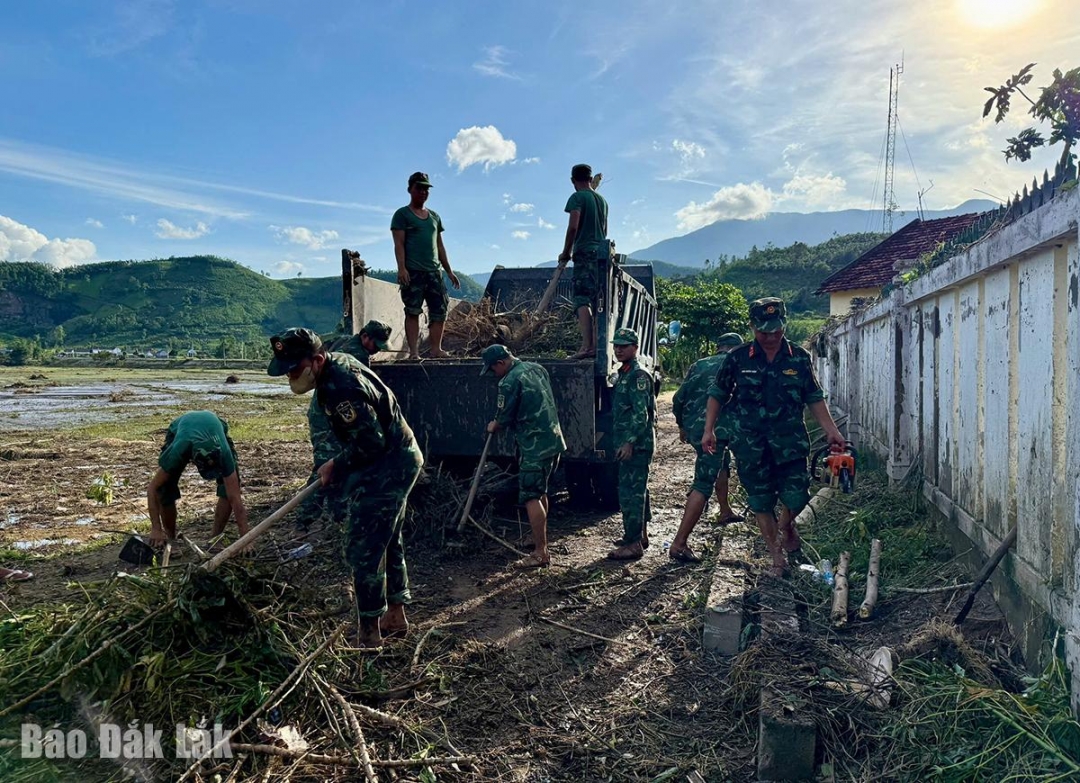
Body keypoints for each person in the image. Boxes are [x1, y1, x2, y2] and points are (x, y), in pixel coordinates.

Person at [268, 327, 423, 648]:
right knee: (387, 538)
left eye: (294, 369)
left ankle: (369, 633)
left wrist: (336, 465)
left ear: (317, 360)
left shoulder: (341, 388)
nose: (290, 376)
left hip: (389, 465)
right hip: (395, 458)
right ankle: (395, 616)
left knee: (363, 547)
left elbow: (371, 443)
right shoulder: (334, 366)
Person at [702, 298, 845, 577]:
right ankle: (777, 557)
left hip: (790, 442)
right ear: (752, 327)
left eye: (776, 330)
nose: (771, 337)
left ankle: (787, 526)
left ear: (784, 325)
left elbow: (813, 396)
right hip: (750, 443)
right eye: (764, 331)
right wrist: (709, 429)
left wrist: (831, 430)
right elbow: (718, 393)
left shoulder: (799, 357)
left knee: (798, 496)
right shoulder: (737, 358)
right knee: (760, 500)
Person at [482, 345, 567, 568]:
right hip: (553, 441)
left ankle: (541, 553)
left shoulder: (509, 381)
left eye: (492, 369)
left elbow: (503, 418)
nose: (493, 374)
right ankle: (537, 537)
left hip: (533, 446)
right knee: (540, 491)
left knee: (530, 496)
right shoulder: (537, 368)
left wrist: (494, 425)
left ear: (501, 363)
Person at [669, 332, 745, 563]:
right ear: (737, 349)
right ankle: (679, 543)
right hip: (720, 432)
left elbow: (678, 398)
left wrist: (682, 425)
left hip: (697, 430)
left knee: (720, 464)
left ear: (719, 347)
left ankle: (725, 510)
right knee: (703, 482)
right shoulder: (738, 365)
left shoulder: (699, 365)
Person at [146, 411, 249, 547]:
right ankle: (171, 539)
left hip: (215, 426)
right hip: (183, 430)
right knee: (165, 488)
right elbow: (153, 488)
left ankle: (215, 539)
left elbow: (235, 498)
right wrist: (156, 528)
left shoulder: (224, 453)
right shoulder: (179, 450)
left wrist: (246, 540)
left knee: (227, 488)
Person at [390, 172, 461, 359]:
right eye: (419, 188)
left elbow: (440, 246)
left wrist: (449, 271)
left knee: (440, 310)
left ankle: (436, 349)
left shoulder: (435, 217)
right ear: (410, 189)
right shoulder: (402, 215)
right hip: (413, 272)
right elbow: (399, 244)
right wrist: (402, 268)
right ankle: (413, 353)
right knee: (412, 311)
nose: (423, 192)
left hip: (434, 272)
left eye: (426, 189)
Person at [607, 328, 656, 560]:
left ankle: (633, 543)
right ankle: (640, 536)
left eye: (624, 346)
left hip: (636, 445)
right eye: (616, 346)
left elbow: (640, 414)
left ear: (635, 348)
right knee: (638, 490)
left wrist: (629, 443)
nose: (618, 350)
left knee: (630, 493)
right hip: (632, 443)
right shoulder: (625, 373)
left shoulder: (637, 375)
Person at [557, 163, 610, 360]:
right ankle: (596, 345)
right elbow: (604, 230)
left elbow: (573, 227)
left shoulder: (577, 197)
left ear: (573, 180)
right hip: (602, 255)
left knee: (581, 299)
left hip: (585, 254)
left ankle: (586, 347)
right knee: (598, 300)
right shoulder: (602, 201)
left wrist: (566, 252)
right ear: (590, 178)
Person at [324, 319, 392, 367]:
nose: (378, 349)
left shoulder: (344, 339)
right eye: (376, 345)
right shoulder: (360, 356)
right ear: (365, 336)